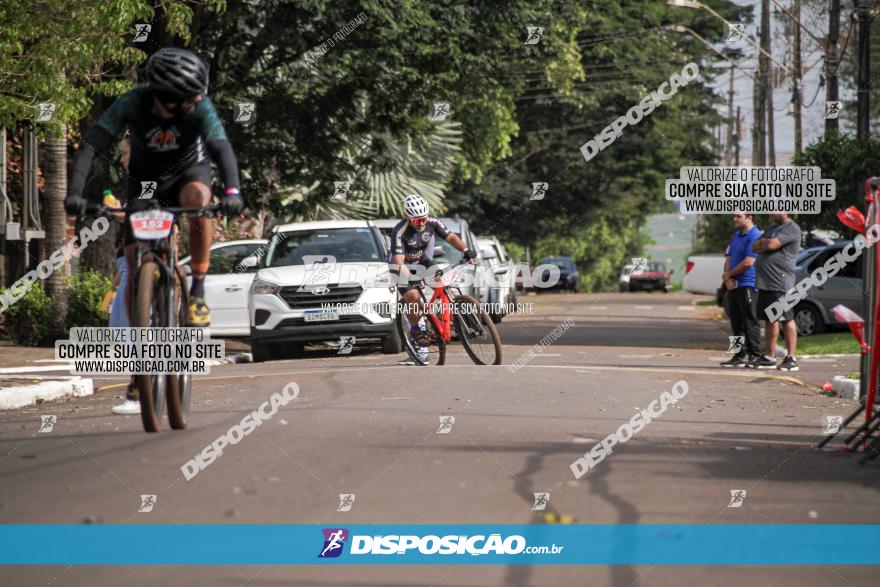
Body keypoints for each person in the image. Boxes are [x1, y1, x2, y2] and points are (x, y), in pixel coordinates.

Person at [64, 47, 244, 327]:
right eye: (188, 97)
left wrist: (233, 192)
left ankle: (197, 288)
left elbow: (222, 150)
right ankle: (141, 334)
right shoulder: (133, 101)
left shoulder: (200, 106)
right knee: (135, 261)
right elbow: (90, 146)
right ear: (164, 98)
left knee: (198, 200)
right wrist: (74, 193)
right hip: (145, 180)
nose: (196, 100)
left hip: (188, 172)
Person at [390, 194, 476, 365]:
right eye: (416, 221)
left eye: (423, 218)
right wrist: (411, 279)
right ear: (406, 216)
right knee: (413, 297)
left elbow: (451, 238)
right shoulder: (399, 232)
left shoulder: (433, 222)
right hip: (401, 266)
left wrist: (466, 250)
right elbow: (398, 261)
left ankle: (445, 315)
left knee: (442, 281)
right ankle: (416, 329)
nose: (421, 223)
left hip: (422, 261)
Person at [751, 212, 802, 371]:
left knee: (786, 318)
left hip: (780, 282)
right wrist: (765, 243)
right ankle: (769, 356)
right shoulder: (773, 228)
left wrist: (765, 244)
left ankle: (791, 357)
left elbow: (772, 245)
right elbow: (755, 246)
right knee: (769, 319)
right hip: (766, 283)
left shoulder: (792, 228)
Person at [719, 213, 762, 367]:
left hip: (747, 284)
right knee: (735, 322)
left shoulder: (756, 236)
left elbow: (749, 262)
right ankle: (738, 355)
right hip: (733, 285)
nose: (734, 219)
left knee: (749, 320)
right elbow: (729, 258)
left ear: (749, 218)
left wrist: (730, 274)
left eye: (738, 216)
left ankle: (755, 355)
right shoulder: (736, 235)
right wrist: (727, 279)